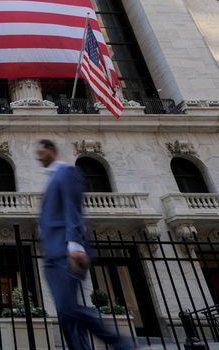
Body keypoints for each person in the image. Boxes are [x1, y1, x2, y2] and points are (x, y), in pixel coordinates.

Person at [37, 139, 133, 350]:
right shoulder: (51, 178)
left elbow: (73, 209)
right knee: (65, 314)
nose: (38, 156)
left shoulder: (67, 173)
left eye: (41, 152)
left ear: (51, 151)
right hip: (52, 254)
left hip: (65, 251)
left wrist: (75, 246)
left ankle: (121, 343)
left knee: (68, 308)